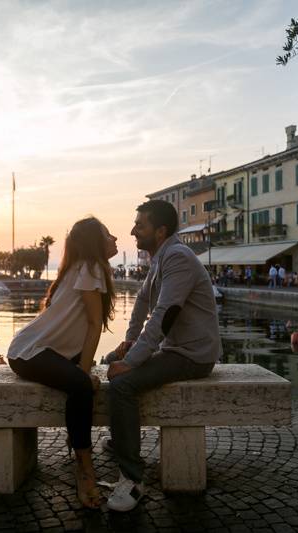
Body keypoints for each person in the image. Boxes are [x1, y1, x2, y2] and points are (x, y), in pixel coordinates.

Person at [102, 200, 220, 512]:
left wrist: (131, 362)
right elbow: (142, 304)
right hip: (176, 349)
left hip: (194, 355)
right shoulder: (160, 257)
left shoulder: (178, 257)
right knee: (108, 368)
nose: (132, 231)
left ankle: (132, 479)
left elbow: (164, 315)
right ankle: (121, 440)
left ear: (161, 230)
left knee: (122, 385)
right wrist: (127, 344)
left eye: (140, 226)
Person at [6, 217, 117, 509]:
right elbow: (94, 326)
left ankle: (79, 453)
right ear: (96, 241)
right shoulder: (90, 269)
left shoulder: (80, 269)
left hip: (39, 350)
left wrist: (83, 370)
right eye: (108, 234)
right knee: (81, 388)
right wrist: (83, 373)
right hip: (30, 352)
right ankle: (85, 469)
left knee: (82, 384)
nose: (115, 238)